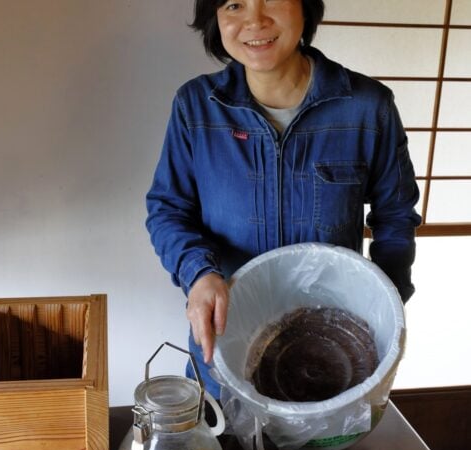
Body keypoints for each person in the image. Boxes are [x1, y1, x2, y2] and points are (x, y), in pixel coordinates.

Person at [146, 0, 421, 399]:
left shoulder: (368, 106)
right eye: (235, 4)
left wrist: (386, 306)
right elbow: (168, 209)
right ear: (216, 19)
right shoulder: (197, 106)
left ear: (305, 8)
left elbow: (395, 216)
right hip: (227, 344)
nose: (255, 20)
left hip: (333, 350)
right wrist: (198, 273)